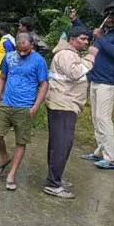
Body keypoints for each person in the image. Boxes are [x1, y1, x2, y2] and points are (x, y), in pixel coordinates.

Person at [73, 6, 114, 170]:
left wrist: (102, 39)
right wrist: (75, 20)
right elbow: (89, 34)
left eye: (113, 16)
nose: (110, 18)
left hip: (108, 82)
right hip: (95, 79)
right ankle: (100, 151)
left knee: (103, 119)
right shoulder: (103, 32)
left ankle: (112, 159)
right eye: (107, 15)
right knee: (95, 118)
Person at [43, 26, 97, 199]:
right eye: (82, 39)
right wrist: (91, 56)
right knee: (62, 144)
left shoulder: (70, 53)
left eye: (87, 39)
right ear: (72, 39)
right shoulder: (66, 53)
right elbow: (75, 73)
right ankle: (53, 184)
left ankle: (54, 178)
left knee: (58, 143)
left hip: (64, 103)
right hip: (63, 103)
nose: (86, 42)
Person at [0, 32, 49, 191]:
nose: (22, 52)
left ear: (32, 45)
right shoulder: (9, 57)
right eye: (19, 50)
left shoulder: (39, 61)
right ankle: (4, 157)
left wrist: (36, 106)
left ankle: (12, 174)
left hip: (25, 107)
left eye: (25, 49)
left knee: (21, 141)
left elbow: (44, 85)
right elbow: (2, 77)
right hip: (6, 103)